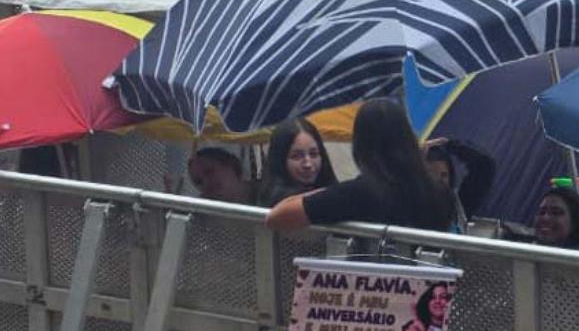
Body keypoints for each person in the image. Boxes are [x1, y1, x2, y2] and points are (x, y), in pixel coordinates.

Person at [265, 98, 455, 232]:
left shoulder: (359, 192)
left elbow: (277, 216)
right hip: (434, 287)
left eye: (314, 153)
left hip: (376, 286)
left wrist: (329, 192)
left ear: (361, 146)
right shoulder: (438, 191)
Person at [259, 118, 338, 207]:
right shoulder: (282, 204)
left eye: (313, 154)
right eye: (296, 156)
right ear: (280, 160)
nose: (308, 164)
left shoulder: (332, 192)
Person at [532, 186, 579, 252]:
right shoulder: (525, 250)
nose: (545, 218)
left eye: (555, 213)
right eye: (542, 212)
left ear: (575, 221)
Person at [189, 148, 253, 204]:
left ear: (230, 164)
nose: (206, 182)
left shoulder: (261, 194)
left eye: (209, 172)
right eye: (199, 182)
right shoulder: (197, 210)